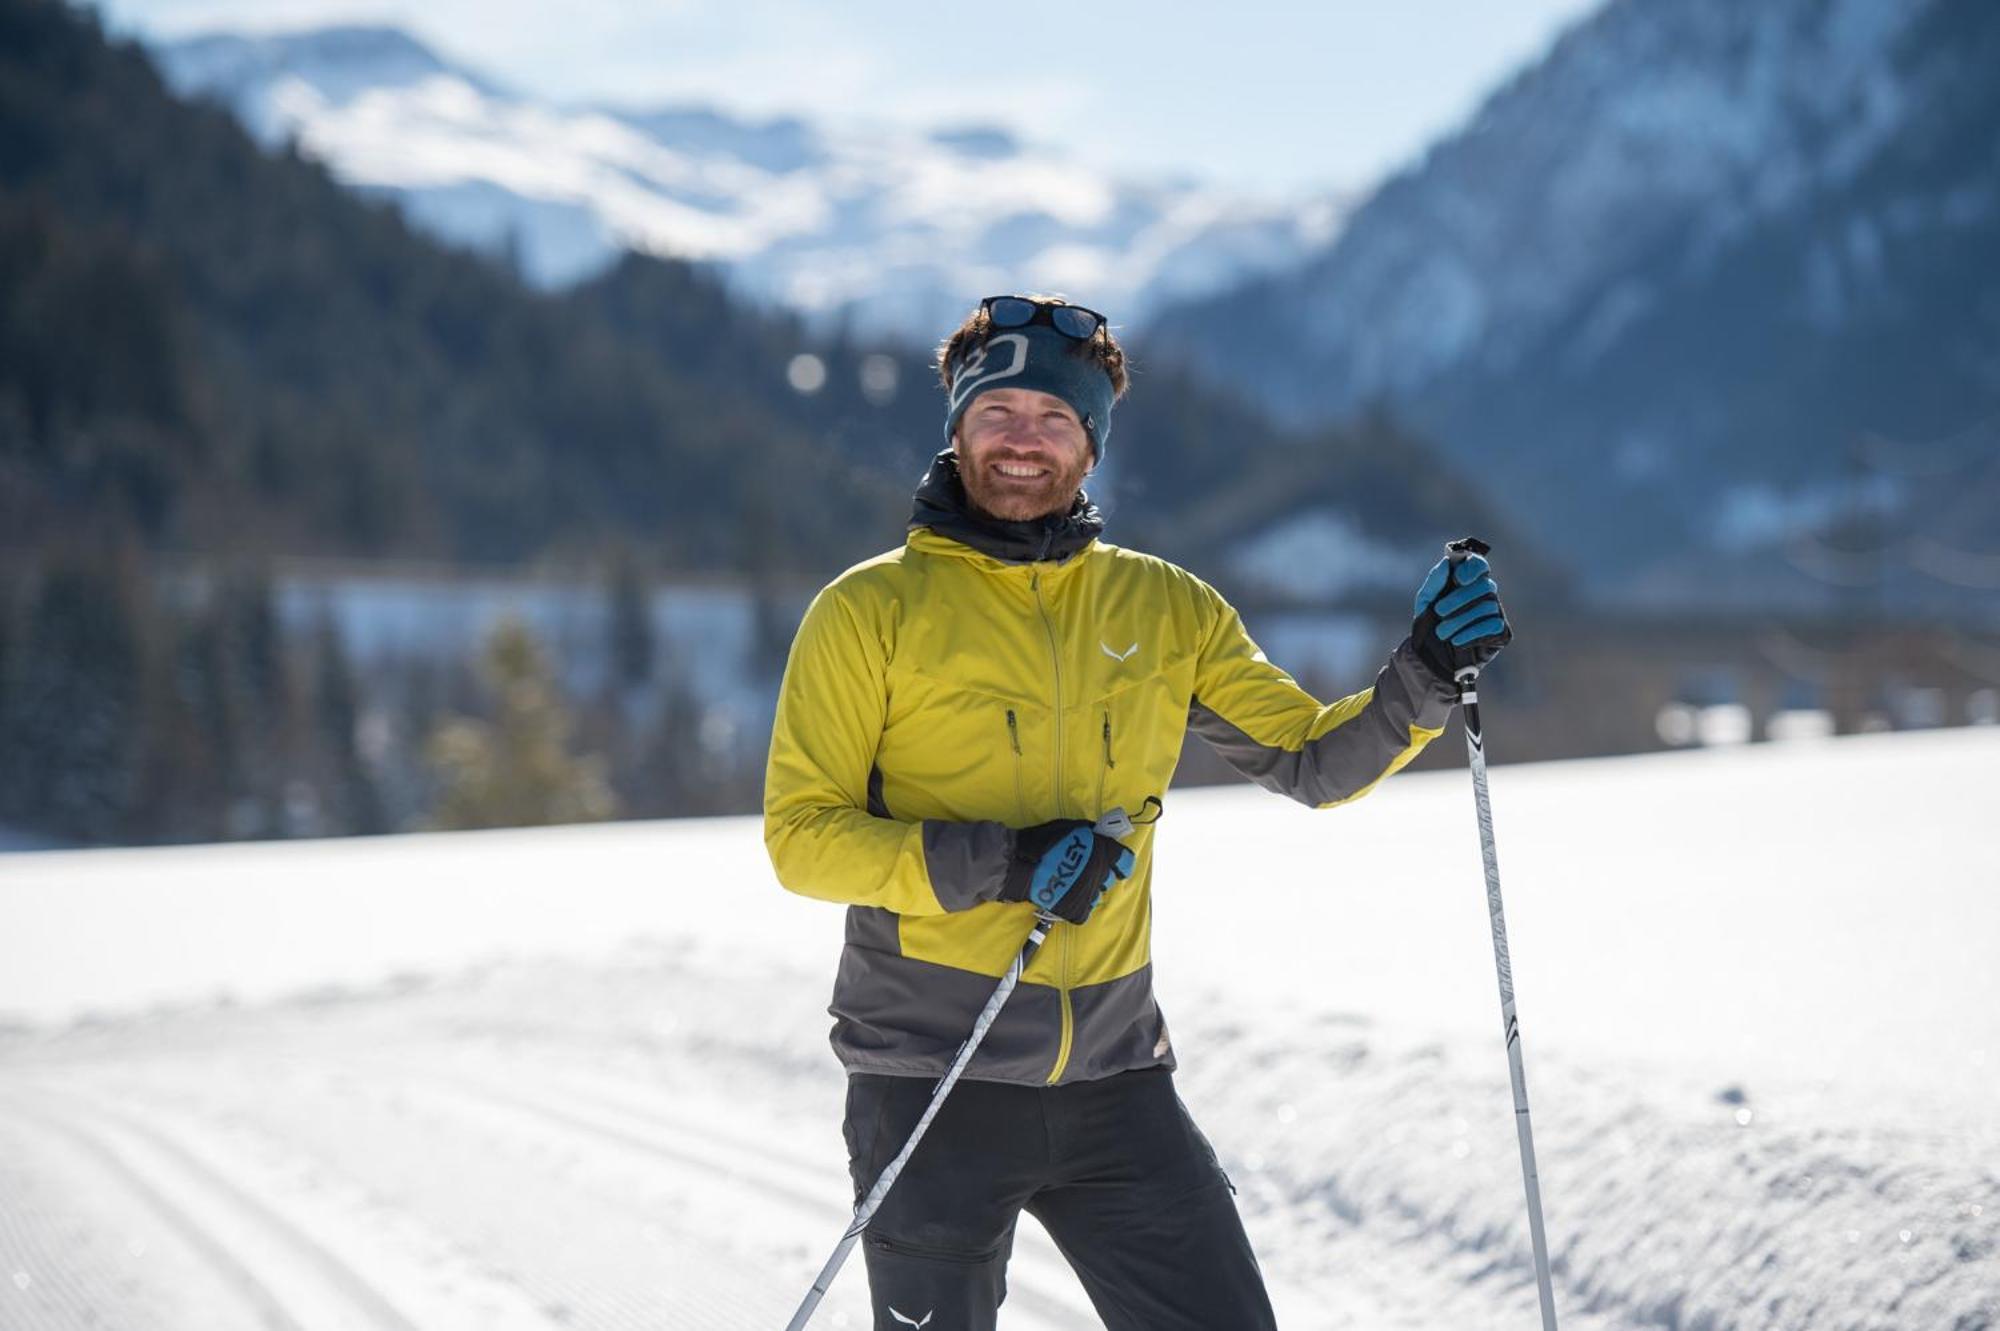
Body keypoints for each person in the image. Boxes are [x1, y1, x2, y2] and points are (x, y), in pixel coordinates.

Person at [764, 294, 1510, 1330]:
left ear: (1091, 444)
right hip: (932, 1078)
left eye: (1053, 418)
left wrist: (1425, 671)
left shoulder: (1166, 608)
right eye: (1000, 413)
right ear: (957, 426)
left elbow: (1310, 762)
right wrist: (1002, 862)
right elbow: (802, 839)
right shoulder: (866, 612)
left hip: (1116, 1081)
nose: (1023, 440)